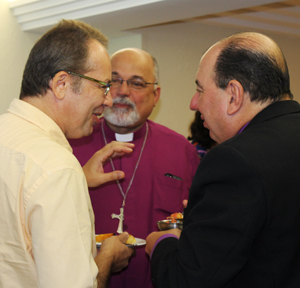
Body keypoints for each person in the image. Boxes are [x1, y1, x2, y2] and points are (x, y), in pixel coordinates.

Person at [146, 31, 300, 287]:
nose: (194, 103)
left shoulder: (234, 160)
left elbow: (187, 279)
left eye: (200, 89)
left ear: (233, 95)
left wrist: (163, 243)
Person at [0, 19, 135, 288]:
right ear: (61, 84)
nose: (108, 100)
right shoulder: (58, 166)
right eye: (103, 86)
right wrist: (107, 257)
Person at [69, 48, 200, 288]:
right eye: (114, 80)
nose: (122, 92)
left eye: (137, 83)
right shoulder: (71, 144)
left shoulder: (182, 150)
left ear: (156, 94)